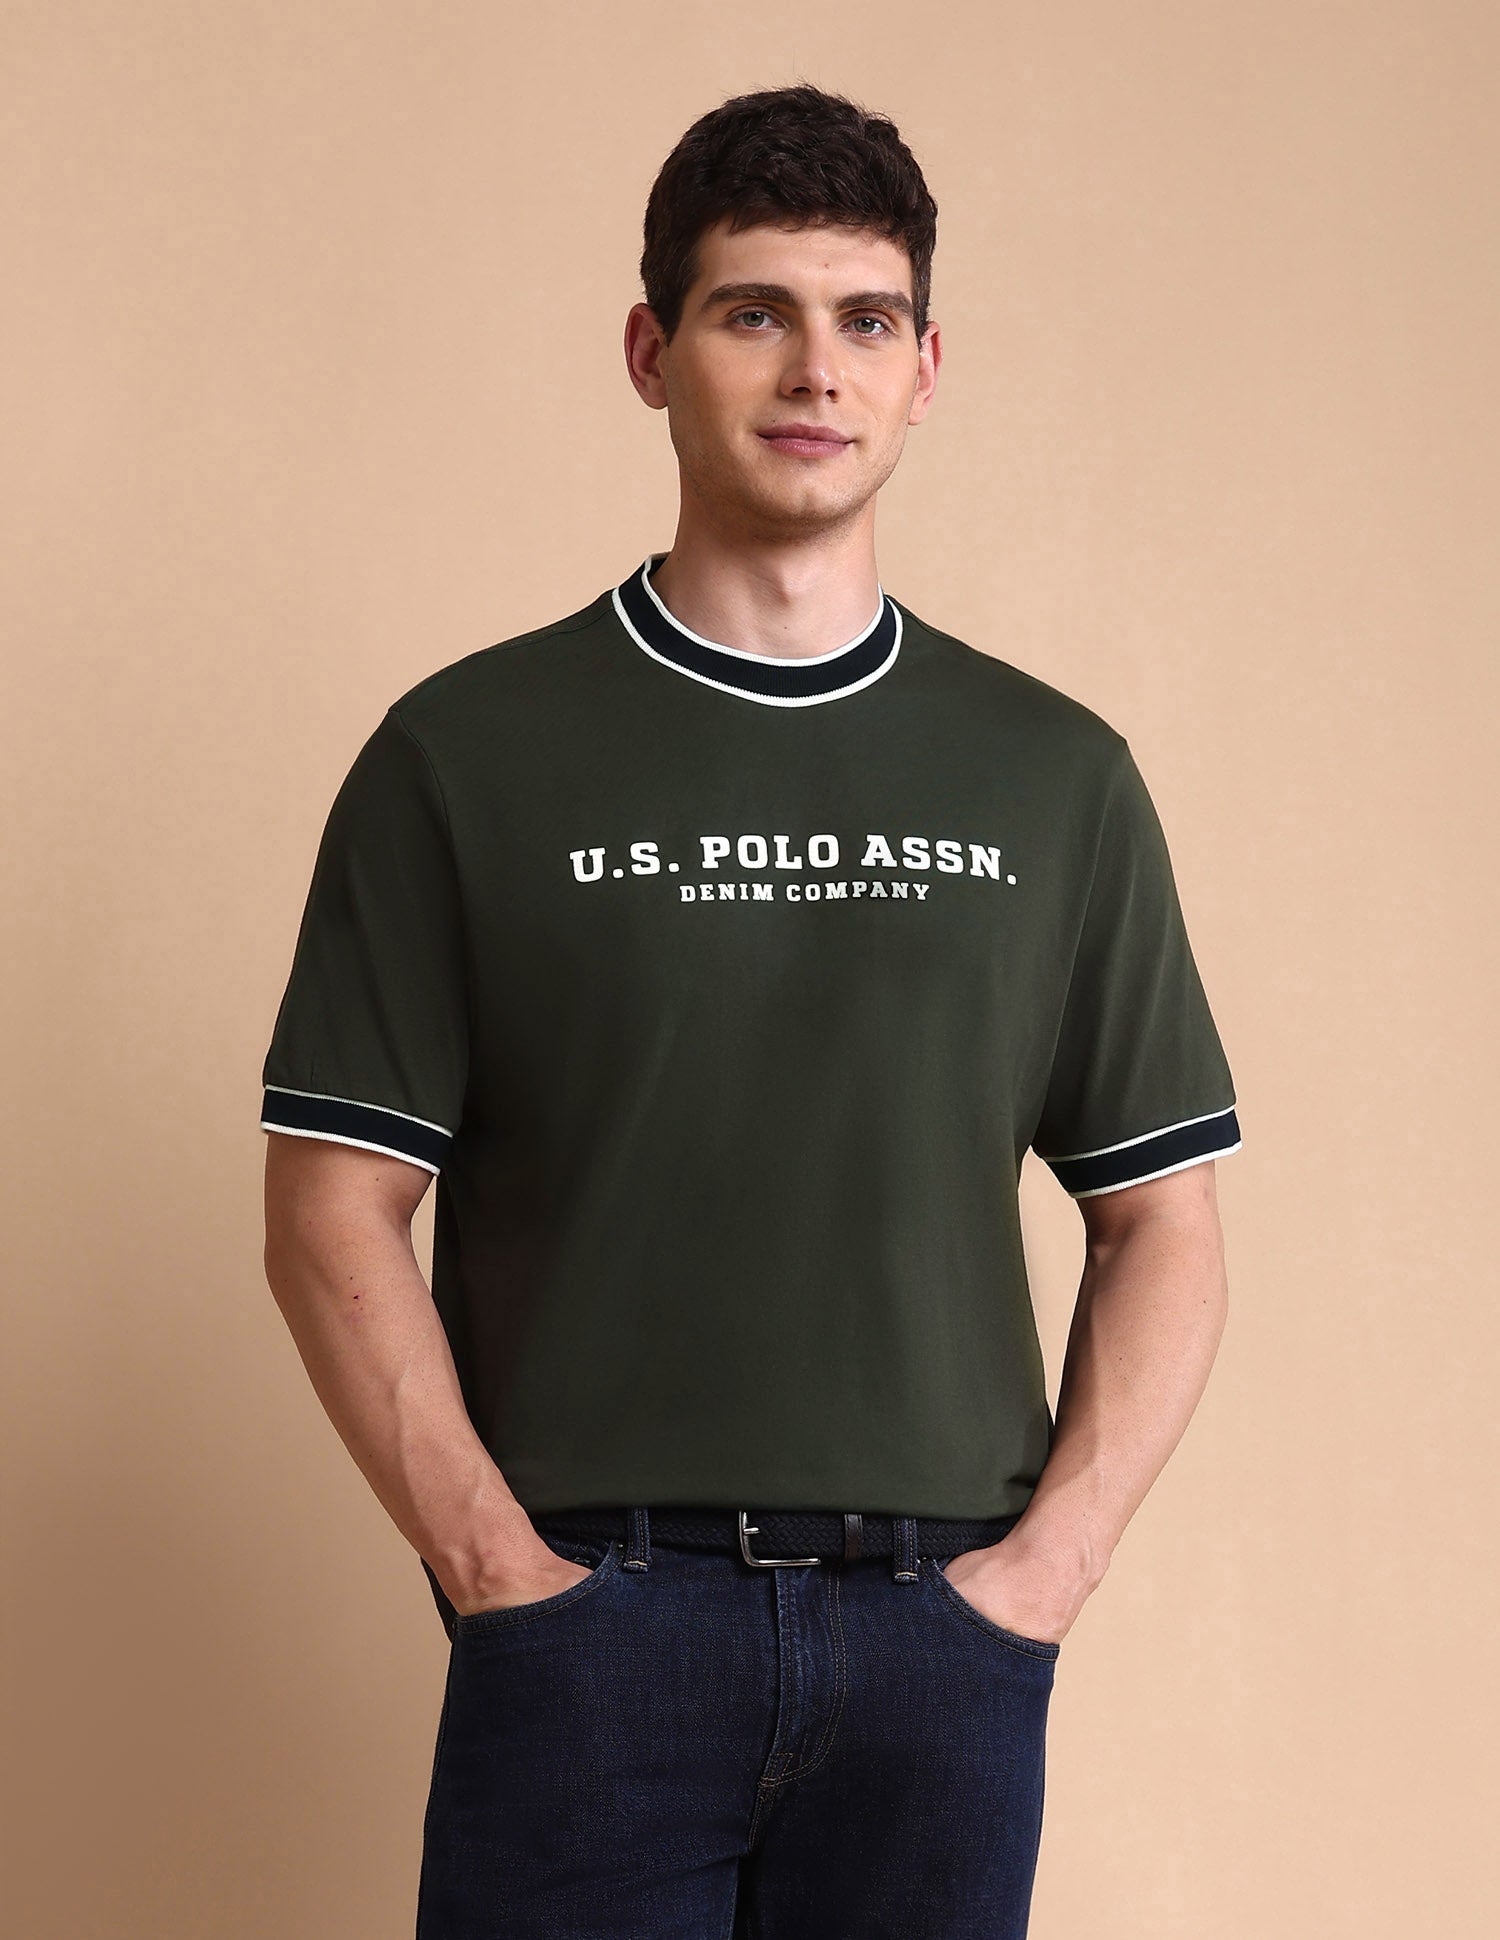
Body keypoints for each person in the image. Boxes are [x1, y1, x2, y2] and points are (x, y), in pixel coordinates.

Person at [259, 82, 1241, 1940]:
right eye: (753, 312)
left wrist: (1048, 1573)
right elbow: (330, 1207)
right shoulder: (465, 755)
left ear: (926, 370)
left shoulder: (1054, 777)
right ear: (652, 352)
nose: (815, 369)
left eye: (865, 320)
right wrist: (491, 1565)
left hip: (945, 1635)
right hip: (591, 1626)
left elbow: (1164, 1221)